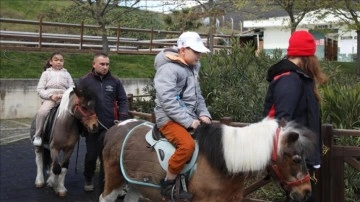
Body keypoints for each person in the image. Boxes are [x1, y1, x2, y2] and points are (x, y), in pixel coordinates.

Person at [263, 30, 328, 202]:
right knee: (302, 198)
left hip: (300, 154)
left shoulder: (299, 77)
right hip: (294, 158)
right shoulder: (290, 79)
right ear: (308, 56)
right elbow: (282, 121)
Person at [154, 31, 212, 199]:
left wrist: (203, 114)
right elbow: (168, 101)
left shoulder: (192, 69)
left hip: (189, 116)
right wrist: (189, 121)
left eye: (200, 52)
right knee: (187, 145)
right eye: (196, 52)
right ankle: (168, 184)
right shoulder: (168, 69)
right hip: (168, 119)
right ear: (183, 50)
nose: (199, 56)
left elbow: (198, 96)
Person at [77, 52, 129, 192]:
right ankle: (88, 177)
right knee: (91, 156)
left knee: (111, 157)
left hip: (111, 127)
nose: (105, 67)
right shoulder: (84, 81)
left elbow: (123, 100)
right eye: (102, 64)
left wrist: (122, 118)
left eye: (107, 64)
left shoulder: (115, 81)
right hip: (92, 127)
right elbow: (78, 104)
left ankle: (107, 184)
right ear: (94, 64)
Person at [33, 52, 74, 146]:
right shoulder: (46, 74)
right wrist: (51, 96)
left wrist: (65, 95)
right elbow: (40, 89)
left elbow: (72, 87)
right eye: (56, 60)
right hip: (50, 98)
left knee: (75, 111)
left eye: (61, 60)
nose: (59, 62)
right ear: (51, 62)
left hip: (64, 98)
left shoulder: (67, 74)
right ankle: (38, 135)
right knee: (42, 112)